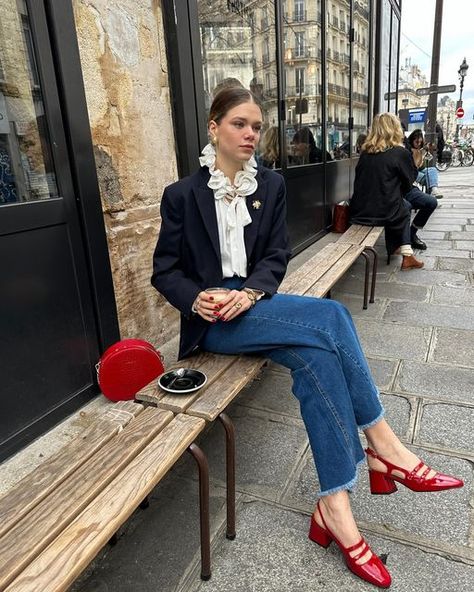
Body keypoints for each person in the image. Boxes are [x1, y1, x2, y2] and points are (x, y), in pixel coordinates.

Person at [151, 89, 463, 589]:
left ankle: (334, 504)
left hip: (255, 305)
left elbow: (276, 257)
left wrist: (252, 293)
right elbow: (165, 271)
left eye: (256, 125)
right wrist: (198, 298)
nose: (251, 133)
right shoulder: (182, 195)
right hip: (213, 322)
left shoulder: (269, 185)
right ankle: (385, 448)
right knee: (332, 319)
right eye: (239, 124)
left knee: (316, 356)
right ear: (213, 128)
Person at [350, 113, 424, 270]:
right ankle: (404, 253)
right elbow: (408, 183)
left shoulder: (365, 153)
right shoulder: (400, 152)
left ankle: (402, 251)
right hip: (384, 212)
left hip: (359, 210)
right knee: (403, 207)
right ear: (395, 128)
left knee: (401, 205)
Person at [407, 129, 443, 198]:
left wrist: (424, 153)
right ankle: (430, 197)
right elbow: (415, 166)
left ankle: (434, 190)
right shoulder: (409, 150)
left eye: (420, 142)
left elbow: (422, 166)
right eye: (417, 142)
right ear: (412, 140)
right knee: (428, 179)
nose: (419, 144)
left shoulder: (420, 149)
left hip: (419, 170)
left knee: (433, 170)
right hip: (412, 172)